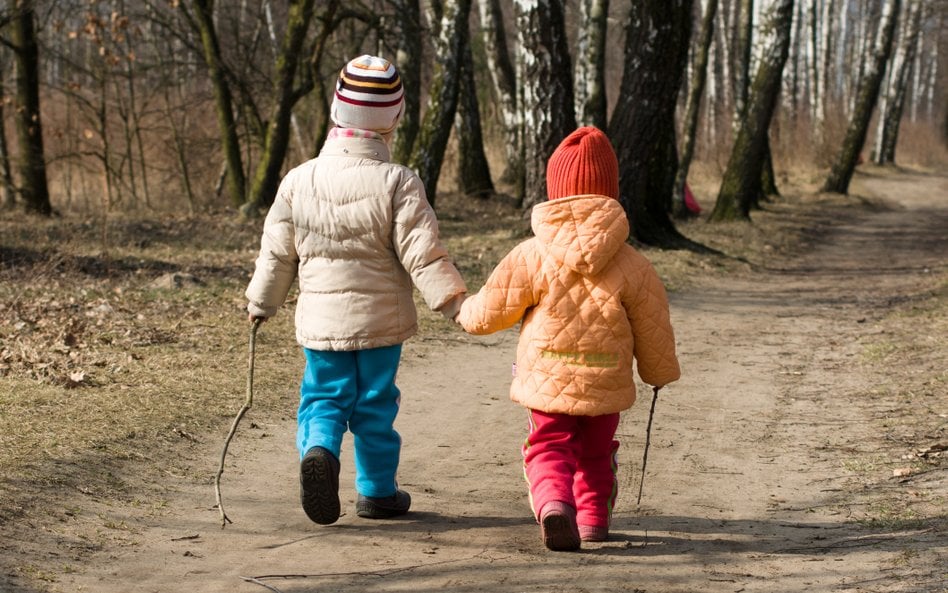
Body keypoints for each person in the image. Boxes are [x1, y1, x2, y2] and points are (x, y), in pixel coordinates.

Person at [245, 55, 467, 525]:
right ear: (394, 120)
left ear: (335, 111)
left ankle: (320, 449)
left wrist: (262, 302)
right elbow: (423, 252)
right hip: (380, 324)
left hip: (322, 324)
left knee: (323, 397)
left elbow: (277, 253)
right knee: (375, 406)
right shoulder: (399, 181)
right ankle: (377, 492)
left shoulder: (298, 179)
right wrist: (454, 302)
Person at [454, 126, 680, 551]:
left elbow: (491, 310)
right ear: (611, 192)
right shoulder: (634, 264)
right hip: (605, 381)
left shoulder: (531, 255)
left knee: (547, 447)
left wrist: (464, 313)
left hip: (547, 380)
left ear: (554, 190)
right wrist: (658, 373)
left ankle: (555, 505)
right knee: (597, 453)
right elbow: (653, 325)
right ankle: (593, 519)